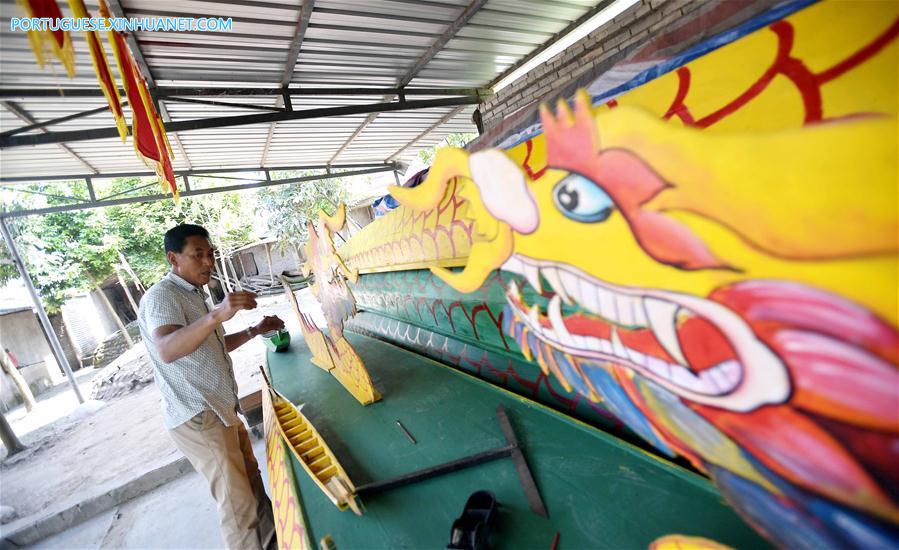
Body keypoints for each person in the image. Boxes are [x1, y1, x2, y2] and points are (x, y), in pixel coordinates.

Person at [138, 223, 282, 550]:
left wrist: (254, 330)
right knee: (238, 506)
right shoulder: (162, 296)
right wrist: (217, 314)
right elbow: (168, 349)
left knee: (252, 488)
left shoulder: (192, 295)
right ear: (174, 259)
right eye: (198, 255)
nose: (208, 262)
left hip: (220, 409)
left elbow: (207, 346)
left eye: (210, 254)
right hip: (199, 415)